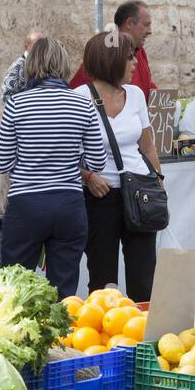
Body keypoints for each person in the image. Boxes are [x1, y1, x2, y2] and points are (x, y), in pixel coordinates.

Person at [0, 37, 108, 298]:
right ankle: (62, 338)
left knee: (15, 289)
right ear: (64, 65)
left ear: (31, 64)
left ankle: (19, 337)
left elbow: (2, 163)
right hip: (69, 204)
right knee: (64, 291)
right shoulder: (83, 105)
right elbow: (97, 162)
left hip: (25, 205)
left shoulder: (16, 105)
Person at [75, 31, 162, 302]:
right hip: (100, 195)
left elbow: (147, 146)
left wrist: (158, 180)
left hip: (138, 192)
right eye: (129, 57)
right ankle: (103, 336)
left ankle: (144, 334)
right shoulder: (79, 97)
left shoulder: (135, 95)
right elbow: (65, 153)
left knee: (144, 275)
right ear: (111, 60)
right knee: (102, 278)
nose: (135, 63)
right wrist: (88, 176)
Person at [70, 1, 156, 99]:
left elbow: (148, 87)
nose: (150, 31)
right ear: (129, 23)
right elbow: (77, 95)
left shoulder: (140, 52)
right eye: (146, 24)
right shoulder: (104, 54)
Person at [2, 29, 45, 103]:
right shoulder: (19, 66)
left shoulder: (40, 65)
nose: (41, 49)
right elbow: (6, 95)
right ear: (26, 47)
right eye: (37, 45)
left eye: (44, 46)